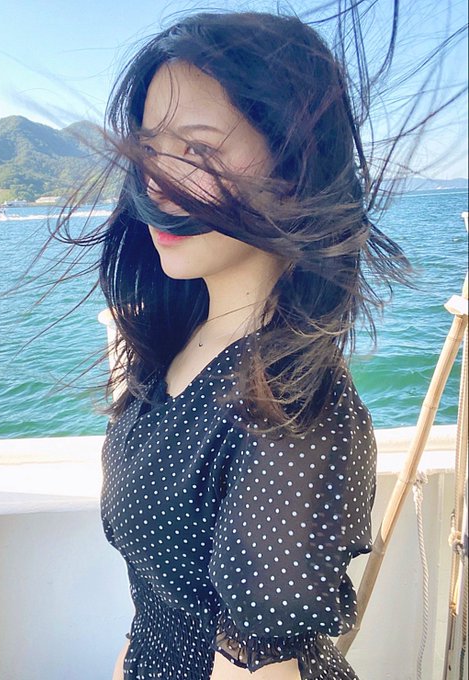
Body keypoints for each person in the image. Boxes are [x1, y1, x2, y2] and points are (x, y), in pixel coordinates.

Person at [47, 6, 459, 680]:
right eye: (149, 149)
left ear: (294, 171)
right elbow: (157, 607)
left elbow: (262, 666)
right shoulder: (171, 348)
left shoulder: (290, 414)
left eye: (198, 151)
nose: (157, 182)